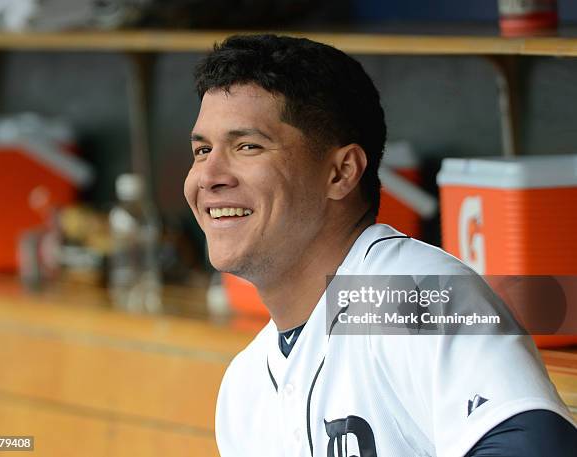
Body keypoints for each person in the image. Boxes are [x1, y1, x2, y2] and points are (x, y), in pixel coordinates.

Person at [184, 34, 577, 456]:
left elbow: (540, 447)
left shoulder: (403, 294)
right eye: (202, 150)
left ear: (341, 173)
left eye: (247, 146)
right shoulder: (245, 386)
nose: (209, 175)